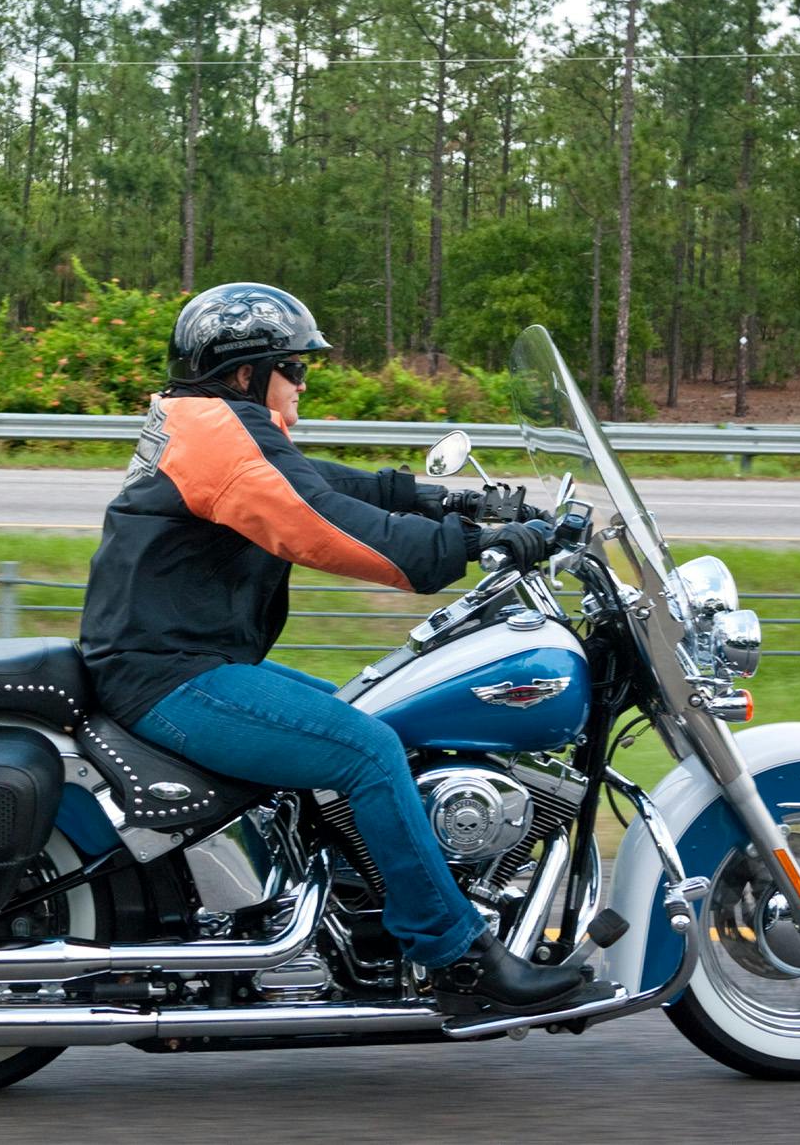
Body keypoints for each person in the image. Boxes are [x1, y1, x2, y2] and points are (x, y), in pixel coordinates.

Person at [79, 281, 589, 1019]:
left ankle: (368, 904)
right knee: (368, 750)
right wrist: (476, 544)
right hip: (169, 678)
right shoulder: (218, 435)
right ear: (246, 371)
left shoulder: (206, 423)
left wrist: (441, 499)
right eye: (294, 368)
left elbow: (316, 480)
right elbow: (323, 522)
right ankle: (456, 957)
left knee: (377, 718)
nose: (303, 382)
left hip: (177, 662)